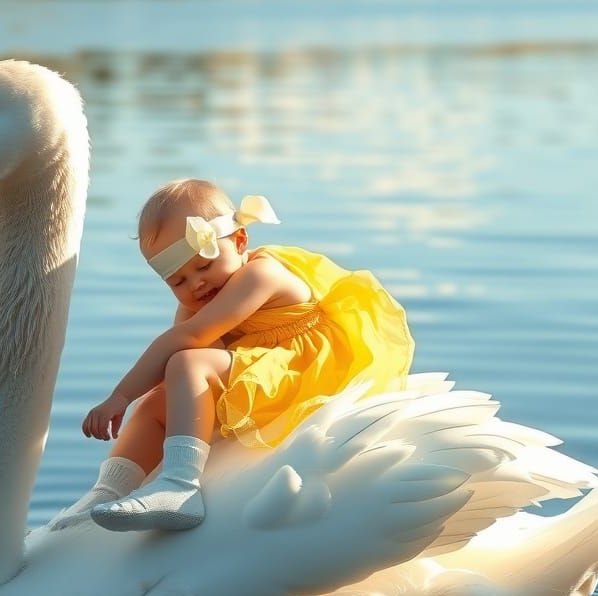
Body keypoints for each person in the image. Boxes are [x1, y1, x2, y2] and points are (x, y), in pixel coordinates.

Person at [49, 179, 414, 533]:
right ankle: (107, 491)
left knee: (186, 363)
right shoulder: (201, 301)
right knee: (153, 404)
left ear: (240, 241)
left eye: (204, 266)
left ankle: (180, 486)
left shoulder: (262, 274)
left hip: (301, 370)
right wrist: (141, 398)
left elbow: (187, 340)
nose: (196, 284)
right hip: (259, 369)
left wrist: (119, 396)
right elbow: (183, 350)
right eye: (177, 281)